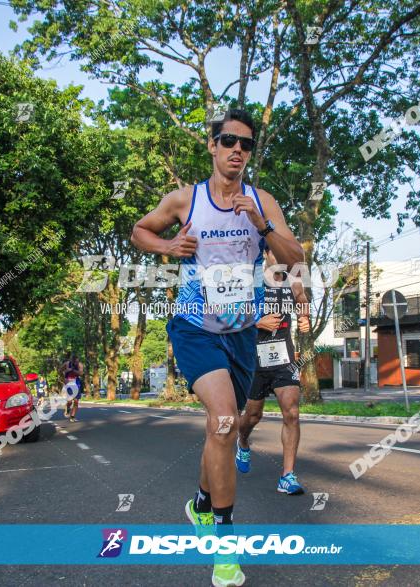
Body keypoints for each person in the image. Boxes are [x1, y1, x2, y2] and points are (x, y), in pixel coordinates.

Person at [131, 109, 304, 587]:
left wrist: (265, 227)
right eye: (228, 140)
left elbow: (296, 259)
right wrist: (168, 249)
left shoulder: (262, 200)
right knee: (225, 419)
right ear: (212, 146)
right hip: (194, 327)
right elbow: (140, 230)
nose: (237, 150)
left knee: (223, 431)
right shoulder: (186, 199)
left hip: (242, 333)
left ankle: (201, 503)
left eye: (246, 144)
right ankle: (224, 547)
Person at [235, 244, 311, 495]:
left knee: (292, 412)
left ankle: (287, 476)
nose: (281, 258)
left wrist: (303, 317)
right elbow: (230, 315)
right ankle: (243, 441)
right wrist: (257, 322)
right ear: (266, 254)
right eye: (276, 253)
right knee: (252, 416)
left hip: (283, 357)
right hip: (254, 357)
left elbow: (301, 300)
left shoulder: (293, 279)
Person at [61, 354, 83, 421]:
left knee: (76, 401)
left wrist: (73, 370)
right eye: (75, 362)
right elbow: (60, 370)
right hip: (68, 383)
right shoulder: (67, 364)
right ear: (71, 360)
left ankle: (72, 417)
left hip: (76, 383)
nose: (76, 363)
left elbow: (81, 373)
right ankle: (67, 409)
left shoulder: (80, 365)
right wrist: (64, 375)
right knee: (70, 401)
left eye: (77, 361)